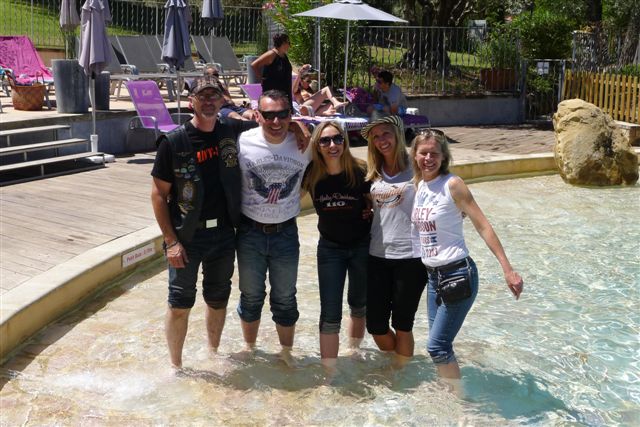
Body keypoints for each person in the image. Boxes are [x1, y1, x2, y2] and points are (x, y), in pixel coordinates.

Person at [150, 75, 258, 369]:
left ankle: (213, 353)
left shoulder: (231, 130)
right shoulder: (173, 142)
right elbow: (158, 195)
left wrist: (298, 128)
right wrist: (171, 241)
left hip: (223, 234)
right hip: (187, 237)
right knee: (179, 302)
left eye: (214, 96)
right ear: (191, 102)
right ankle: (176, 366)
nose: (209, 101)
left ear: (223, 100)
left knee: (218, 298)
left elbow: (272, 126)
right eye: (202, 96)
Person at [410, 129, 524, 380]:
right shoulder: (420, 186)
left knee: (437, 346)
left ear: (443, 156)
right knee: (439, 346)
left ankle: (458, 399)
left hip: (458, 275)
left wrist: (507, 269)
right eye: (423, 153)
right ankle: (448, 391)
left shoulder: (452, 185)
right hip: (433, 278)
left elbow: (483, 225)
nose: (428, 158)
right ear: (415, 155)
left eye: (434, 153)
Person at [236, 89, 312, 364]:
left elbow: (332, 157)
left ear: (291, 114)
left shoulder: (305, 143)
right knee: (250, 296)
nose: (276, 121)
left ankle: (286, 354)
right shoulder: (242, 141)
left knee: (285, 297)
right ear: (257, 115)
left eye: (283, 114)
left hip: (285, 233)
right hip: (250, 232)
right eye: (269, 115)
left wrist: (301, 126)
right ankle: (249, 349)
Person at [302, 121, 371, 374]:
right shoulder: (312, 174)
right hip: (330, 249)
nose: (332, 145)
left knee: (359, 303)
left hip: (361, 245)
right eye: (325, 140)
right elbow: (288, 202)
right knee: (330, 312)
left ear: (344, 141)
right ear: (317, 145)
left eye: (337, 139)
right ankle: (328, 373)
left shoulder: (360, 170)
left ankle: (354, 353)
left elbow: (379, 201)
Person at [362, 115, 428, 368]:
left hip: (411, 257)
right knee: (375, 325)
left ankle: (401, 372)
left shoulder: (418, 167)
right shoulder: (372, 172)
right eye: (376, 137)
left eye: (386, 133)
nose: (382, 140)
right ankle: (398, 364)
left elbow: (443, 194)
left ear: (398, 134)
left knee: (403, 324)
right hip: (377, 255)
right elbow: (370, 204)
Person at [251, 33, 294, 110]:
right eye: (288, 43)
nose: (289, 45)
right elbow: (254, 65)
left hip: (284, 90)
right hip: (272, 90)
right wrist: (260, 78)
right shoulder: (271, 54)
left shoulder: (283, 55)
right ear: (283, 43)